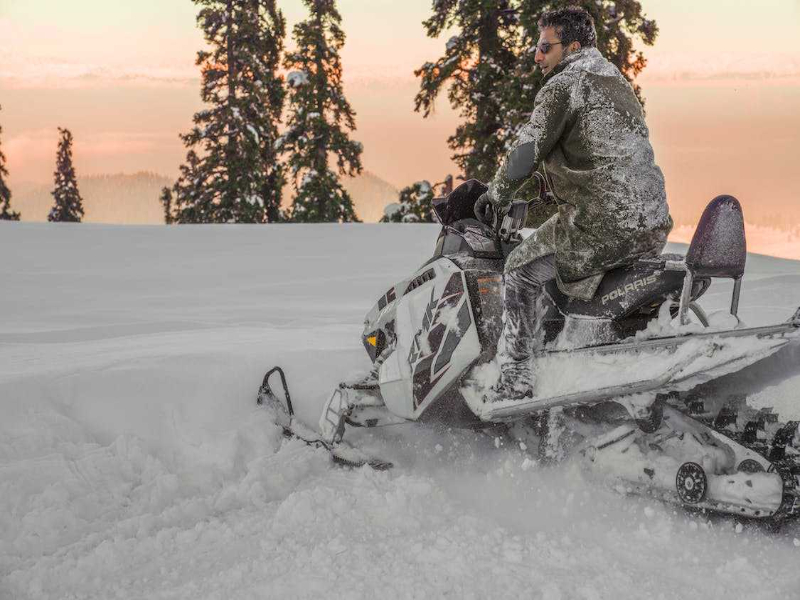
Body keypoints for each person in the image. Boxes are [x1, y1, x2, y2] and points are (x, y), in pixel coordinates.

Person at [477, 6, 673, 400]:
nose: (536, 55)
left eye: (544, 47)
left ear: (573, 47)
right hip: (651, 224)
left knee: (519, 268)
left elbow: (526, 151)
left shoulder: (564, 84)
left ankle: (516, 376)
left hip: (600, 225)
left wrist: (495, 194)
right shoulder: (614, 81)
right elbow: (598, 161)